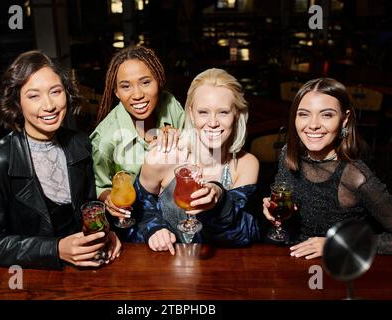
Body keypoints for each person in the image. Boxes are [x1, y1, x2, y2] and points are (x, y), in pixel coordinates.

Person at [0, 50, 121, 269]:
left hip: (84, 269)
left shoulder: (81, 144)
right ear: (17, 102)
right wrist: (55, 250)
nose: (49, 105)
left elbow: (90, 208)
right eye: (33, 96)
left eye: (55, 91)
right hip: (31, 276)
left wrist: (106, 234)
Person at [262, 78, 392, 259]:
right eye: (304, 114)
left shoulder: (355, 175)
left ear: (344, 119)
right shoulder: (288, 153)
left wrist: (339, 243)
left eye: (327, 115)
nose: (313, 125)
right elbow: (285, 198)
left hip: (336, 270)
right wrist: (273, 209)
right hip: (290, 259)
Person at [136, 68, 260, 254]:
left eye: (223, 112)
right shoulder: (162, 156)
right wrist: (153, 228)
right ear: (191, 113)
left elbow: (243, 234)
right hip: (165, 270)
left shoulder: (246, 164)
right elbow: (134, 213)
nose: (212, 122)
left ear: (237, 114)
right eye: (203, 112)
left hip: (221, 273)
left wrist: (220, 200)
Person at [90, 45, 184, 227]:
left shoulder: (170, 104)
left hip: (179, 209)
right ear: (116, 92)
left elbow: (196, 153)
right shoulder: (105, 138)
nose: (138, 95)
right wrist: (109, 199)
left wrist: (180, 137)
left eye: (145, 82)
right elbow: (99, 185)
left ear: (159, 81)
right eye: (126, 86)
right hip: (136, 220)